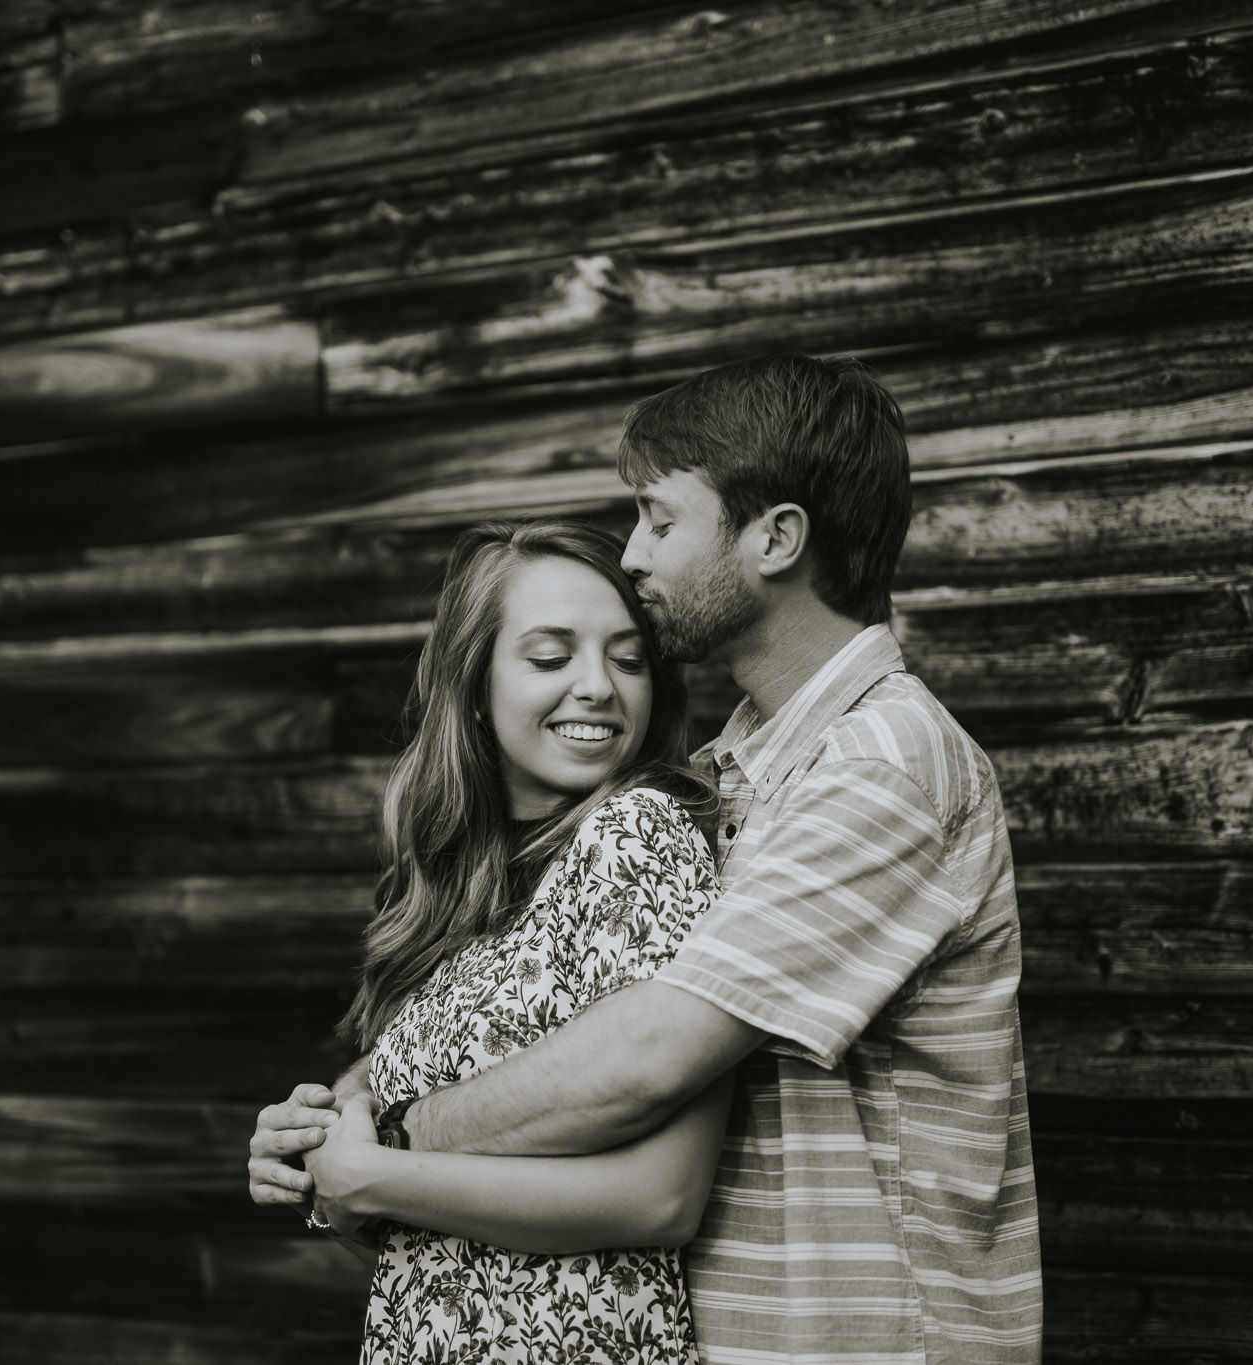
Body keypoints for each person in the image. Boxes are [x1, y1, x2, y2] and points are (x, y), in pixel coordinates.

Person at [254, 353, 1044, 1364]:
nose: (632, 554)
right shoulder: (727, 773)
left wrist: (390, 1140)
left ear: (775, 538)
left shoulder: (883, 762)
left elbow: (649, 1054)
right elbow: (522, 1034)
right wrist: (341, 1107)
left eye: (660, 520)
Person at [254, 518, 732, 1362]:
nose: (599, 686)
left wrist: (376, 1175)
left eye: (628, 659)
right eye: (551, 658)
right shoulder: (449, 886)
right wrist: (312, 1158)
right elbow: (433, 1244)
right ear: (476, 683)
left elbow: (660, 1200)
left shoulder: (636, 836)